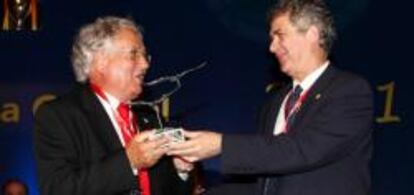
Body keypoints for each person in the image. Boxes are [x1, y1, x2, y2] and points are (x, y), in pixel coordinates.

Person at [168, 0, 374, 195]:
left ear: (312, 34)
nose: (272, 47)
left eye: (280, 35)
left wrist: (221, 145)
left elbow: (301, 150)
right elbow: (260, 184)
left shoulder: (349, 92)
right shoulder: (276, 103)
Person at [33, 16, 193, 195]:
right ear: (101, 61)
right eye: (134, 53)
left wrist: (181, 170)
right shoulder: (59, 115)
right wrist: (129, 162)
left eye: (145, 55)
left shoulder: (148, 115)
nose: (145, 64)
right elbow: (58, 189)